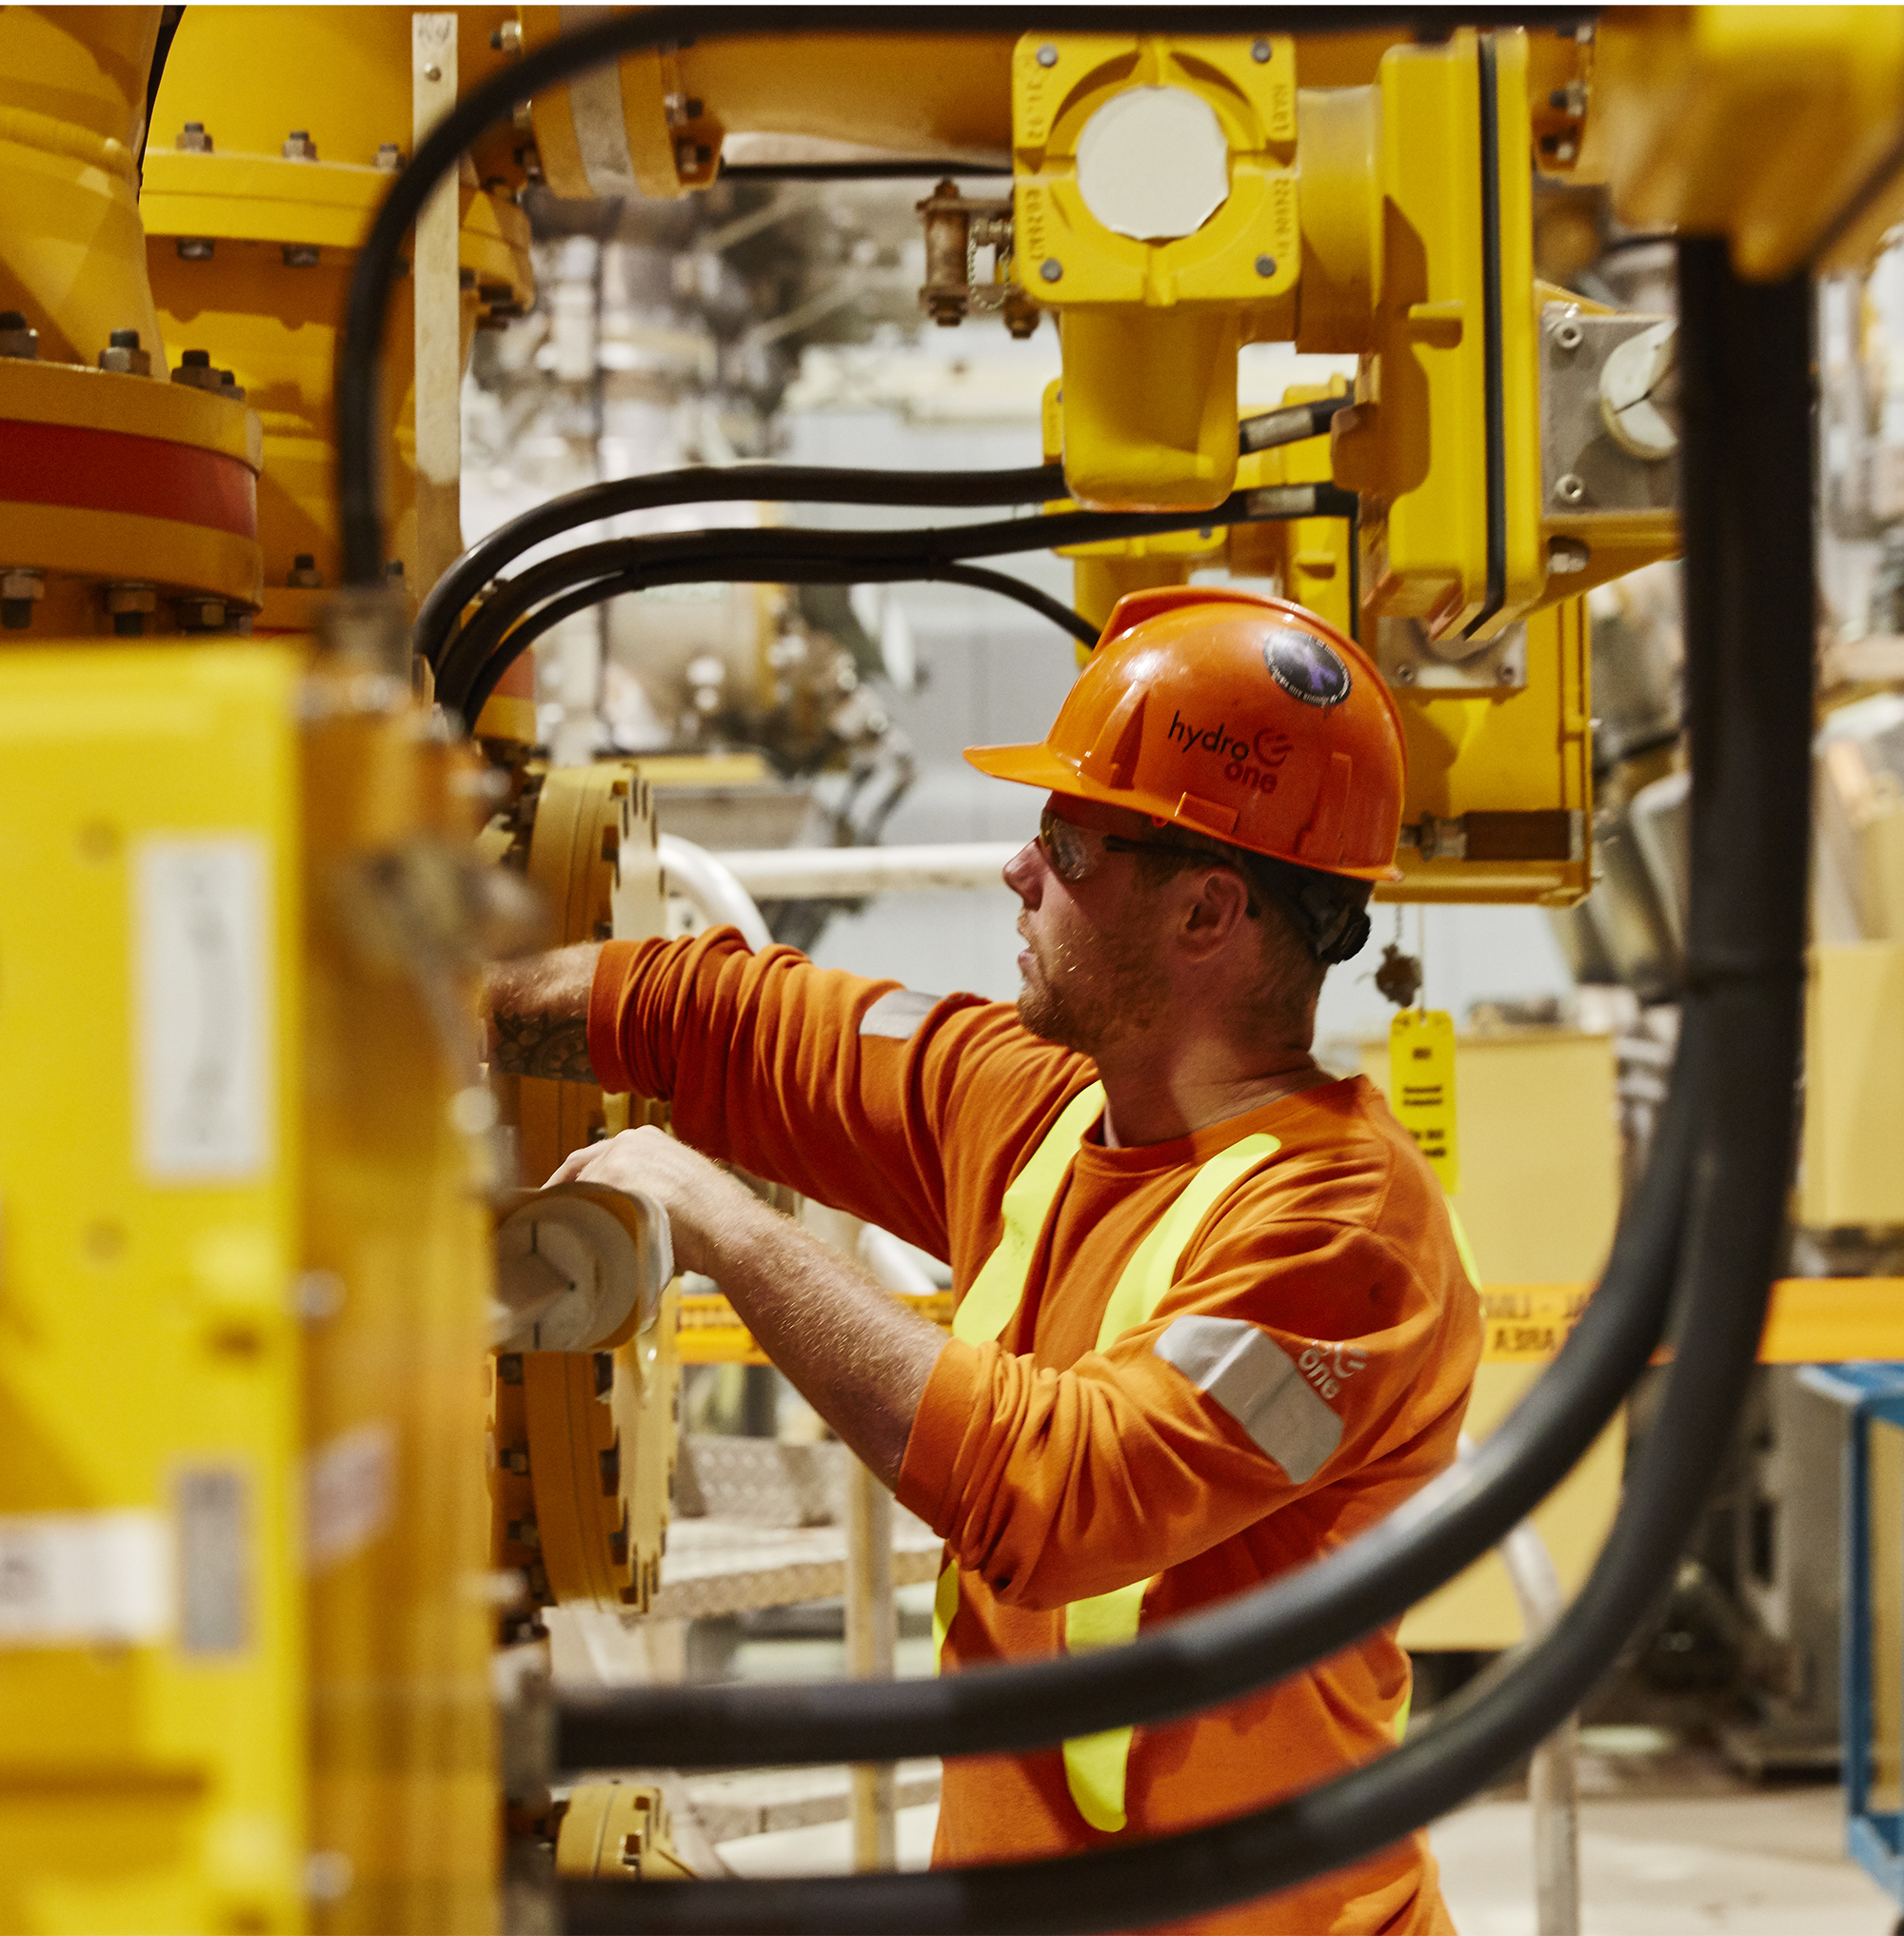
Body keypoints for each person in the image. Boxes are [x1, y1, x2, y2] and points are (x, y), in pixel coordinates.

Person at [487, 586, 1481, 1934]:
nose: (1019, 868)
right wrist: (451, 1004)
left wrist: (717, 1219)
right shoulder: (1042, 1103)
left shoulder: (1346, 1240)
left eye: (1068, 843)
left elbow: (1065, 1492)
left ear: (1205, 913)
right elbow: (739, 1018)